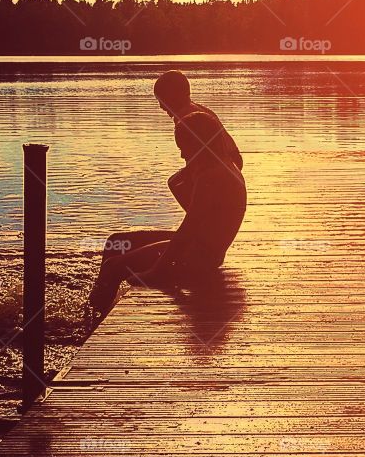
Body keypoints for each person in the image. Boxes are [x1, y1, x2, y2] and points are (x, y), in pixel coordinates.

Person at [88, 109, 247, 317]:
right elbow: (190, 208)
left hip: (200, 255)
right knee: (115, 243)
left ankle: (93, 321)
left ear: (200, 143)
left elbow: (188, 230)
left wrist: (158, 271)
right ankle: (102, 309)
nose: (182, 154)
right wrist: (184, 175)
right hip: (199, 245)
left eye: (184, 148)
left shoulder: (211, 177)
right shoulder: (223, 166)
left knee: (113, 266)